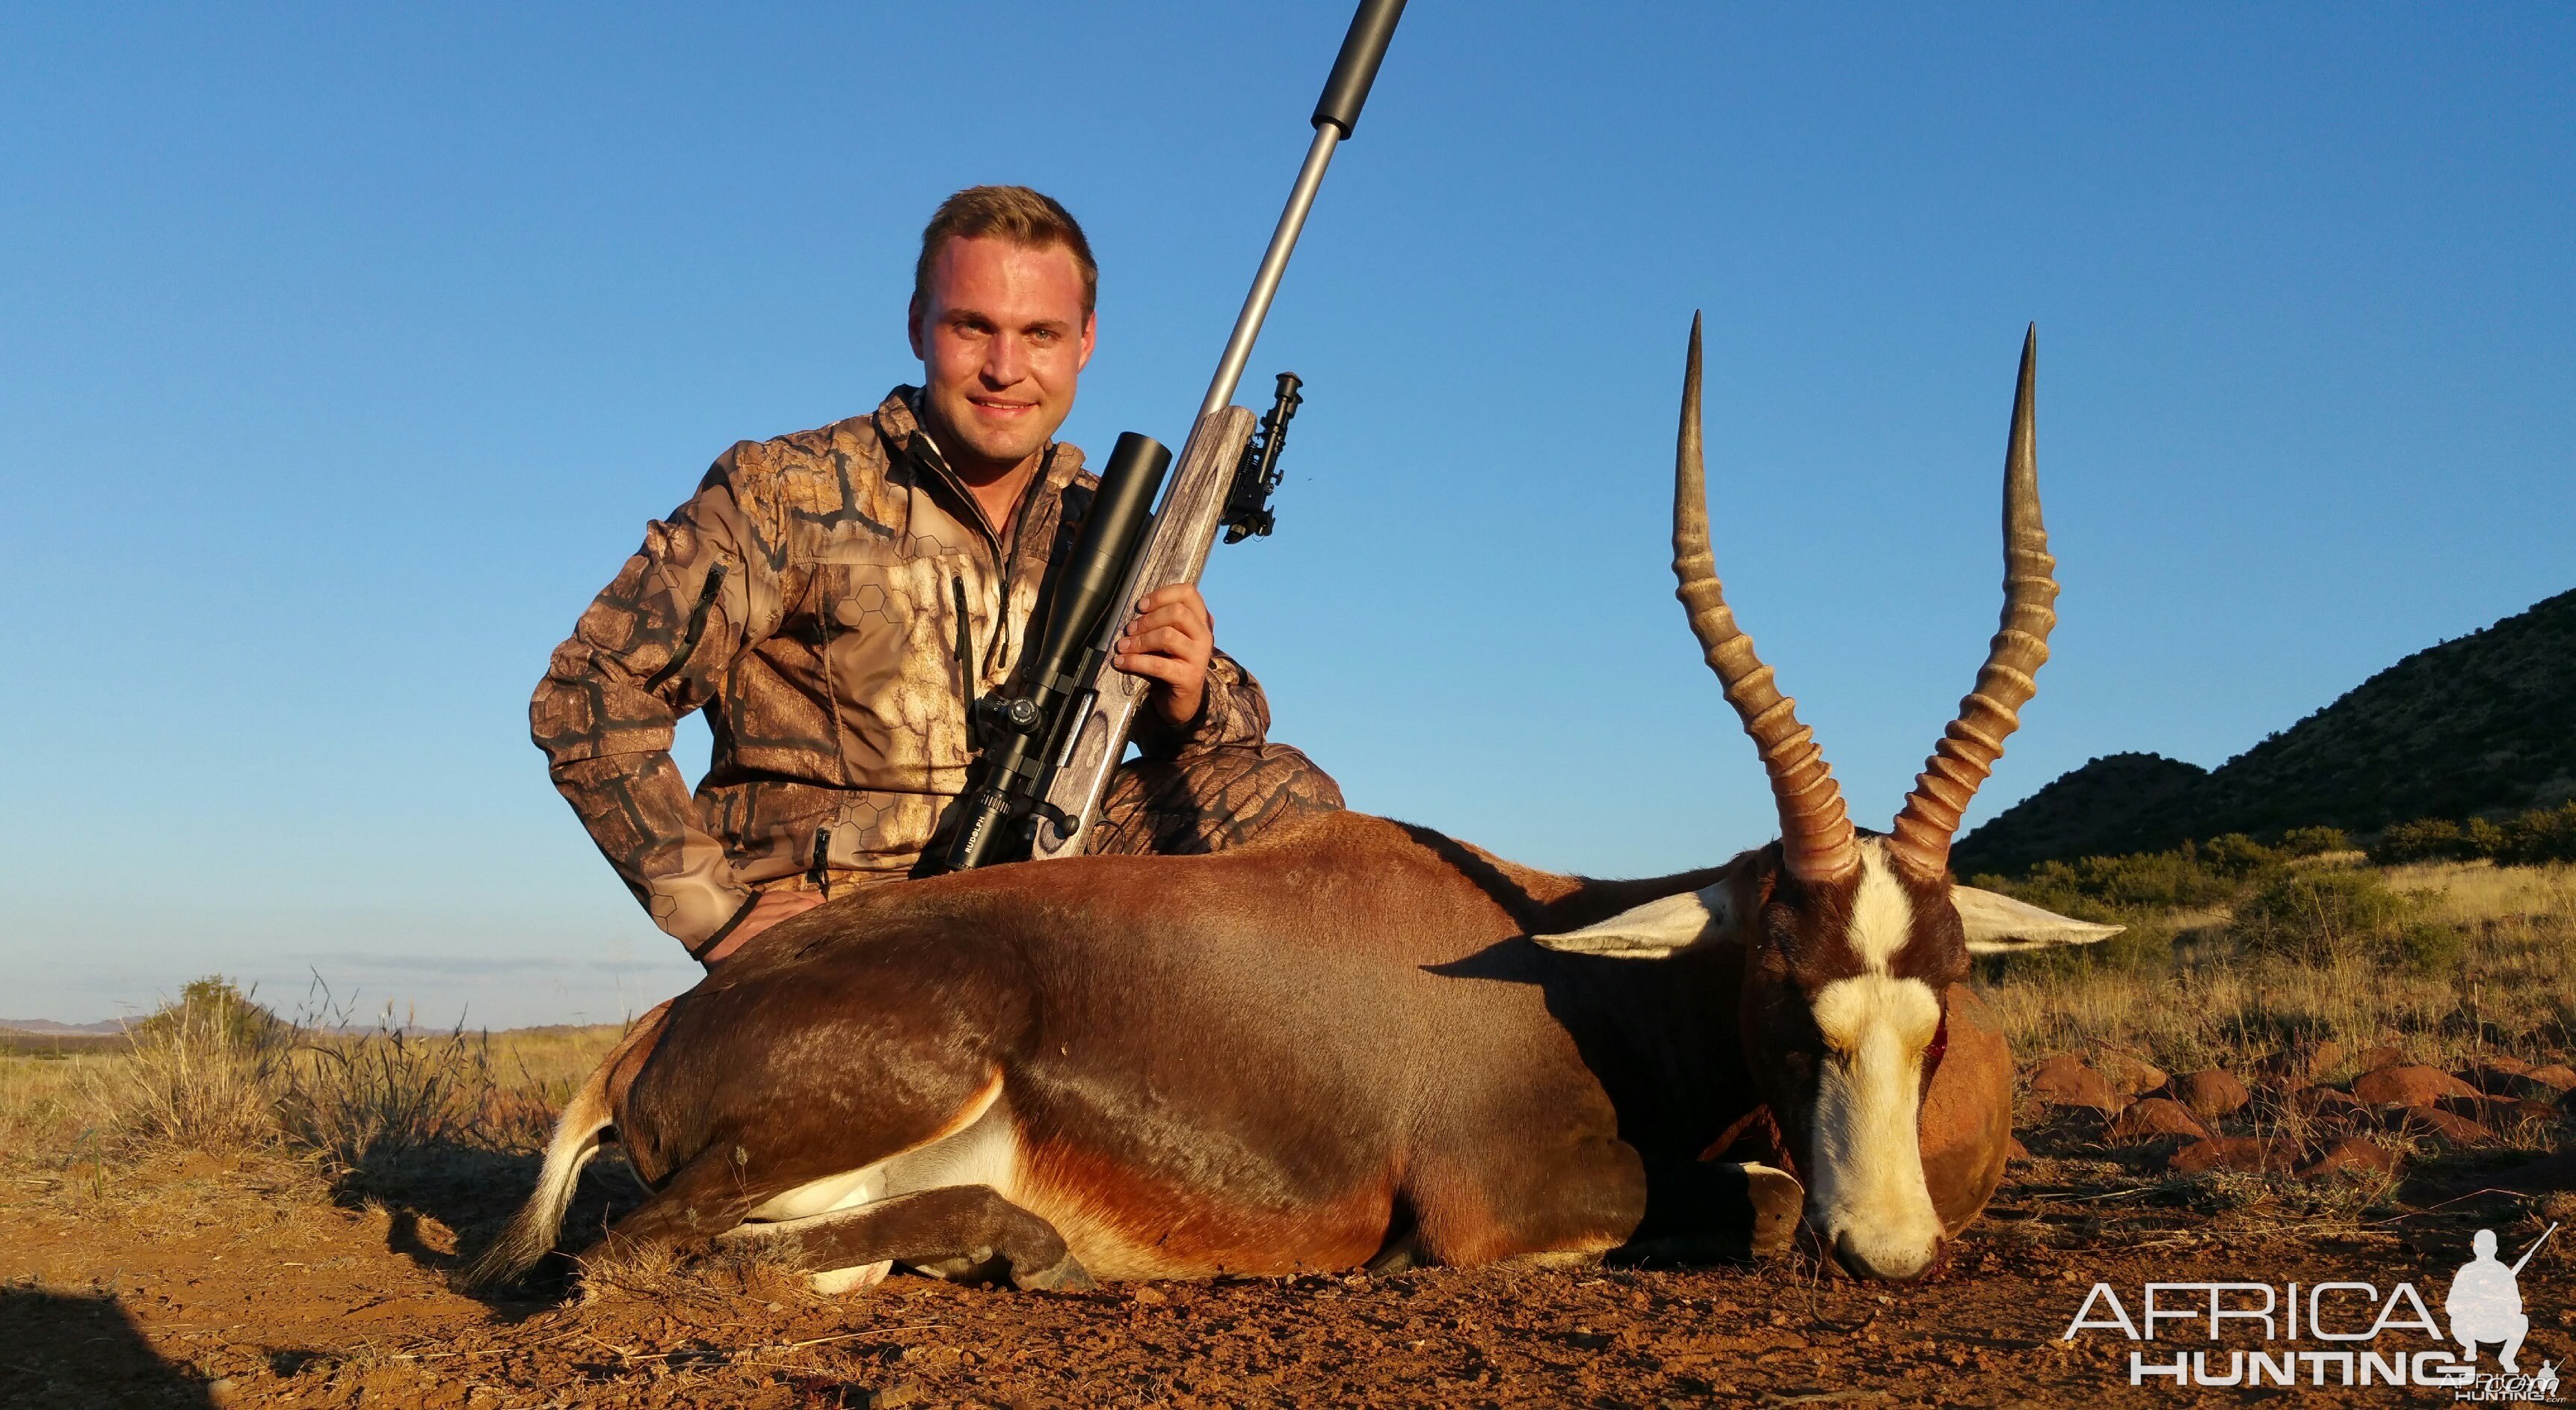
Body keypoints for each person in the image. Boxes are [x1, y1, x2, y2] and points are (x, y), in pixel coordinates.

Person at [532, 185, 1342, 967]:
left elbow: (1233, 725)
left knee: (1282, 796)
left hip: (1043, 871)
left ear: (1085, 342)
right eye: (971, 326)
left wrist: (1189, 695)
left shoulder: (1108, 520)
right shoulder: (784, 491)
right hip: (850, 908)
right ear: (918, 326)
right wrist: (715, 912)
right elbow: (590, 689)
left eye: (1040, 334)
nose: (1004, 367)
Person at [2446, 1228, 2530, 1372]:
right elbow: (2451, 1306)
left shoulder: (2503, 1272)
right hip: (2471, 1327)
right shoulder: (2466, 1271)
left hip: (2498, 1327)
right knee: (2456, 1320)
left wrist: (2499, 1304)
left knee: (2522, 1321)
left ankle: (2507, 1357)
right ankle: (2470, 1347)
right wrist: (2474, 1305)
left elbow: (2517, 1306)